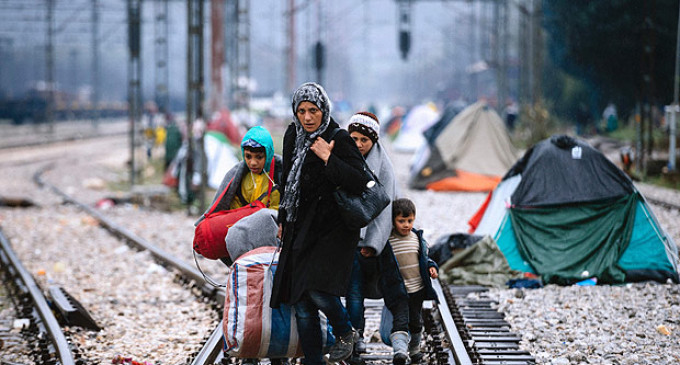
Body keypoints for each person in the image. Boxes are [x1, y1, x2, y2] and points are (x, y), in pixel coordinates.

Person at [271, 82, 370, 365]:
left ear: (323, 109)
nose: (307, 117)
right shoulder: (293, 135)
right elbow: (287, 178)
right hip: (299, 228)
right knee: (301, 301)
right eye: (301, 111)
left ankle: (345, 332)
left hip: (332, 231)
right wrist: (282, 217)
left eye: (313, 110)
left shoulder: (337, 136)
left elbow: (360, 180)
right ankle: (313, 360)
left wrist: (328, 157)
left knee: (317, 290)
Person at [343, 112, 411, 365]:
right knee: (354, 294)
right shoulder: (346, 160)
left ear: (373, 140)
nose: (359, 144)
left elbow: (386, 209)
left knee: (392, 290)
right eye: (354, 138)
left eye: (364, 139)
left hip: (379, 243)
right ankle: (355, 336)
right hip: (351, 242)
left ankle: (400, 339)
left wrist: (373, 243)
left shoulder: (384, 166)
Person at [196, 125, 282, 266]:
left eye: (259, 157)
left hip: (275, 235)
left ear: (269, 154)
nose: (253, 162)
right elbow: (233, 209)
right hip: (246, 233)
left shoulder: (281, 174)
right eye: (248, 156)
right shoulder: (239, 177)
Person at [388, 198, 439, 363]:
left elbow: (425, 258)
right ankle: (400, 352)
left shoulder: (416, 238)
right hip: (398, 290)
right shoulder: (389, 240)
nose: (406, 225)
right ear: (393, 221)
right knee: (400, 321)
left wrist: (432, 267)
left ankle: (414, 349)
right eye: (401, 221)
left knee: (416, 322)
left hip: (417, 289)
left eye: (409, 220)